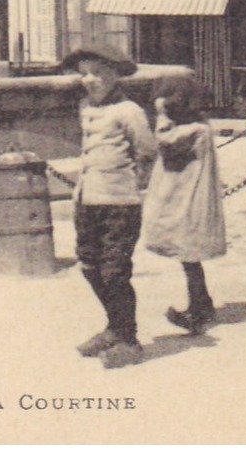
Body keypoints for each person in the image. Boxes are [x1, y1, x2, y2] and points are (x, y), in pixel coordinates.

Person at [62, 46, 157, 370]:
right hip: (87, 200)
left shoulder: (129, 111)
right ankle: (114, 326)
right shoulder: (85, 106)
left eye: (98, 73)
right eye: (84, 72)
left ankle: (128, 339)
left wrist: (138, 185)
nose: (90, 80)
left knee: (114, 272)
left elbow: (146, 150)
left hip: (119, 202)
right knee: (89, 265)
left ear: (115, 74)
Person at [142, 75, 226, 335]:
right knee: (188, 257)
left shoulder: (192, 131)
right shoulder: (198, 126)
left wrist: (160, 118)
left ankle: (199, 310)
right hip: (185, 195)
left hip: (188, 199)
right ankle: (201, 304)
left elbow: (164, 143)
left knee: (188, 254)